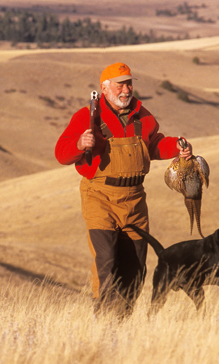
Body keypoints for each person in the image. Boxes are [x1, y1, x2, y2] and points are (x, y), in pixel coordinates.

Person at [55, 62, 193, 318]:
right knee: (106, 261)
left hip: (135, 200)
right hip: (100, 197)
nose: (126, 89)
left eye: (129, 83)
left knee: (135, 266)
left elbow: (155, 146)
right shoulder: (86, 116)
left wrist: (178, 146)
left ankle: (123, 320)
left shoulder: (144, 116)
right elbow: (61, 153)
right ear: (104, 88)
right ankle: (104, 320)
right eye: (120, 84)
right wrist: (79, 143)